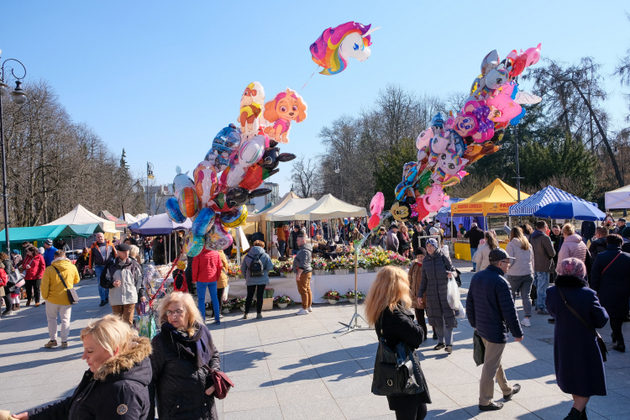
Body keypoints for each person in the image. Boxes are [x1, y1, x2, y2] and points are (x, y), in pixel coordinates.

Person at [16, 314, 152, 419]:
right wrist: (32, 416)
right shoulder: (103, 372)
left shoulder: (123, 391)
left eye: (90, 351)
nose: (83, 356)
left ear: (113, 350)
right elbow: (74, 404)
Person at [364, 266, 431, 420]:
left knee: (420, 411)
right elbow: (418, 336)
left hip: (395, 369)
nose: (408, 286)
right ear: (396, 286)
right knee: (410, 413)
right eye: (404, 282)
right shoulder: (394, 315)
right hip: (402, 373)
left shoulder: (382, 309)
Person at [546, 258, 608, 420]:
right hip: (584, 342)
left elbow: (552, 312)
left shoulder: (552, 292)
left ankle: (581, 415)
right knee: (587, 380)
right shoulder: (587, 294)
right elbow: (601, 320)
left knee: (573, 377)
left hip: (563, 339)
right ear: (582, 272)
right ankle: (573, 415)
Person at [466, 248, 523, 412]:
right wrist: (517, 333)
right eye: (507, 262)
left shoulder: (478, 276)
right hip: (494, 330)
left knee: (493, 360)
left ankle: (507, 390)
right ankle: (485, 401)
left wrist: (474, 323)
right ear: (500, 263)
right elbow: (509, 311)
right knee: (490, 366)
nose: (509, 266)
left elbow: (469, 303)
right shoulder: (501, 282)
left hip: (482, 328)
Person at [150, 292, 221, 420]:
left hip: (205, 407)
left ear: (189, 312)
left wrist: (214, 375)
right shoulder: (160, 341)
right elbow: (150, 379)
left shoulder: (202, 331)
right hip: (177, 411)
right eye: (169, 312)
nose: (173, 316)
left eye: (178, 311)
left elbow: (213, 354)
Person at [590, 234, 630, 352]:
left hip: (606, 291)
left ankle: (619, 340)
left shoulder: (601, 257)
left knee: (613, 316)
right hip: (624, 292)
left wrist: (594, 290)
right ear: (620, 244)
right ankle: (616, 336)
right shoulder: (628, 257)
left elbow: (595, 276)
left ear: (608, 243)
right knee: (619, 316)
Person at [418, 238, 457, 354]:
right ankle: (441, 342)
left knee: (448, 317)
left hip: (445, 292)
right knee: (436, 318)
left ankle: (449, 344)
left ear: (436, 246)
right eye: (427, 246)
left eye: (431, 246)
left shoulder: (443, 257)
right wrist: (420, 294)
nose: (429, 248)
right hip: (432, 293)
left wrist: (451, 274)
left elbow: (453, 270)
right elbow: (424, 280)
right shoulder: (425, 261)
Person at [41, 250, 80, 349]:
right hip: (66, 298)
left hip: (52, 298)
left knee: (51, 319)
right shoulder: (72, 267)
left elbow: (44, 285)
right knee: (65, 320)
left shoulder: (49, 269)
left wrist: (45, 297)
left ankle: (53, 340)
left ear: (55, 257)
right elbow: (77, 280)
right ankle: (64, 340)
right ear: (65, 256)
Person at [101, 243, 145, 326]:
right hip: (116, 298)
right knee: (118, 323)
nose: (126, 253)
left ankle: (128, 338)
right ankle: (121, 338)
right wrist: (112, 283)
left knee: (128, 322)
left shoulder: (134, 265)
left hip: (130, 297)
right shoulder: (110, 265)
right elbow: (103, 281)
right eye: (124, 252)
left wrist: (141, 294)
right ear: (118, 252)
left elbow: (140, 280)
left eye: (127, 251)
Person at [505, 227, 534, 327]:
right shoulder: (528, 244)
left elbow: (510, 260)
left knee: (511, 296)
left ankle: (511, 318)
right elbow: (532, 259)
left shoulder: (511, 244)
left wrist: (506, 270)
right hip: (528, 272)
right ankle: (527, 318)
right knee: (526, 296)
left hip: (515, 274)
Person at [241, 240, 273, 319]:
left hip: (250, 279)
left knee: (249, 296)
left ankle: (246, 313)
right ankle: (259, 313)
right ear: (262, 246)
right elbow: (270, 267)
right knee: (260, 296)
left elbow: (242, 269)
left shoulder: (247, 256)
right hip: (262, 279)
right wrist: (265, 273)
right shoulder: (265, 255)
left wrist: (247, 277)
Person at [530, 221, 556, 315]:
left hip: (535, 264)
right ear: (544, 227)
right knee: (543, 287)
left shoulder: (532, 237)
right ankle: (541, 306)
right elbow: (552, 253)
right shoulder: (545, 238)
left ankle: (538, 304)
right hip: (544, 265)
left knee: (537, 286)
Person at [192, 248, 222, 324]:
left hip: (201, 279)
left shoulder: (198, 254)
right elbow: (219, 266)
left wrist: (194, 279)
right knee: (215, 298)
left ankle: (203, 320)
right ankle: (217, 319)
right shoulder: (216, 253)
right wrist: (217, 277)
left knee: (201, 300)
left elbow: (195, 268)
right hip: (213, 278)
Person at [89, 232, 117, 307]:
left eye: (101, 237)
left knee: (108, 281)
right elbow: (91, 258)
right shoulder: (93, 246)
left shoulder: (110, 244)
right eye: (98, 237)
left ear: (104, 237)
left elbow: (115, 255)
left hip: (109, 266)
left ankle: (107, 297)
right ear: (96, 238)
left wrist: (117, 264)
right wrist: (90, 267)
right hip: (99, 267)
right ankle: (102, 299)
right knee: (100, 283)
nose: (99, 238)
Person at [409, 248, 428, 340]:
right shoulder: (414, 265)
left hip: (427, 295)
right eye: (418, 257)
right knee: (419, 317)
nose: (420, 258)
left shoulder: (428, 265)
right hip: (416, 295)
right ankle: (423, 334)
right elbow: (409, 278)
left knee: (431, 316)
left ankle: (436, 332)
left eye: (422, 256)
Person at [292, 233, 313, 315]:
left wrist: (298, 274)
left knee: (303, 290)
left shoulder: (304, 250)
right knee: (307, 289)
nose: (296, 242)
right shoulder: (305, 249)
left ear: (303, 241)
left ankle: (304, 308)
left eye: (298, 240)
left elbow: (303, 264)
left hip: (304, 272)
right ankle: (308, 306)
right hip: (306, 272)